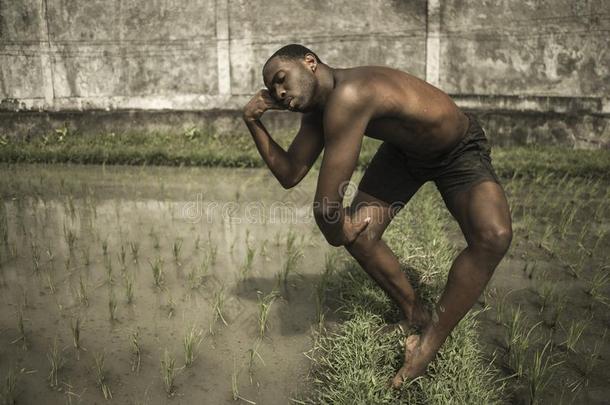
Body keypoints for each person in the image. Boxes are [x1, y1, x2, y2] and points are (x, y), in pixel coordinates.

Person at [242, 44, 512, 388]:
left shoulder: (350, 94)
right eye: (274, 90)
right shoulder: (318, 110)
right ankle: (415, 312)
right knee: (362, 236)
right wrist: (252, 122)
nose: (280, 94)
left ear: (309, 63)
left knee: (494, 237)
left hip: (456, 149)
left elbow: (327, 209)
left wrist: (337, 230)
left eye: (282, 79)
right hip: (404, 155)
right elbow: (291, 173)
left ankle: (428, 345)